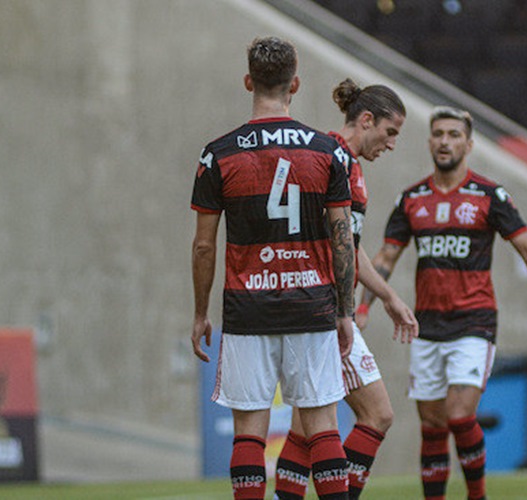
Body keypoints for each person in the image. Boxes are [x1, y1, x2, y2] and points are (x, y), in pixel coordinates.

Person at [363, 106, 527, 500]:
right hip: (426, 327)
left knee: (459, 414)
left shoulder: (490, 196)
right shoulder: (412, 199)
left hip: (474, 322)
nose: (444, 141)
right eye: (438, 134)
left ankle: (477, 496)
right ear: (429, 141)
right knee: (432, 425)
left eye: (454, 135)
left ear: (469, 144)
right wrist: (365, 305)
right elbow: (385, 259)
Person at [191, 36, 355, 500]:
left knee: (249, 433)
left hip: (247, 309)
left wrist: (201, 312)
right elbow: (342, 240)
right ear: (295, 84)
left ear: (248, 82)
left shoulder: (218, 154)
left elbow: (204, 247)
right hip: (312, 302)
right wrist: (344, 311)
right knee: (323, 426)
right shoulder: (327, 151)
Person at [274, 78, 419, 500]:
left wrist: (386, 295)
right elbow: (343, 250)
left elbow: (347, 247)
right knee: (377, 414)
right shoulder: (340, 162)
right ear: (367, 120)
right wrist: (389, 298)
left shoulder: (323, 154)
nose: (391, 144)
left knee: (304, 428)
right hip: (322, 308)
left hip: (301, 300)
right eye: (390, 132)